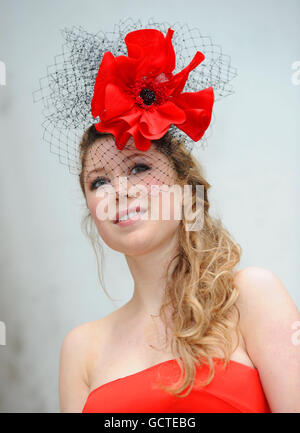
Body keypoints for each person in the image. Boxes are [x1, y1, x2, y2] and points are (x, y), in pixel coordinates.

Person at [33, 21, 300, 413]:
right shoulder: (80, 348)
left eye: (139, 168)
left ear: (184, 187)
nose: (119, 190)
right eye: (99, 181)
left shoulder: (250, 298)